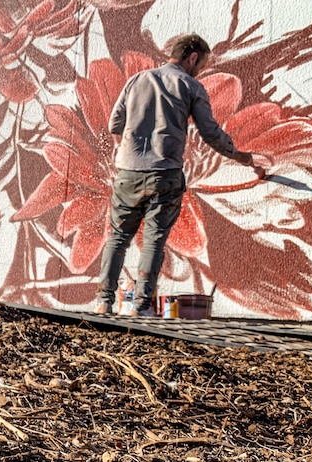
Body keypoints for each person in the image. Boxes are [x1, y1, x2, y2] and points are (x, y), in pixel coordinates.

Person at [94, 34, 255, 317]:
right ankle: (141, 307)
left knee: (118, 238)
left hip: (128, 173)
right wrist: (240, 156)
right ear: (192, 57)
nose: (201, 69)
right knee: (155, 239)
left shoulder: (137, 80)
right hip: (164, 174)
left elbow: (114, 124)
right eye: (202, 63)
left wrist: (140, 129)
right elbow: (210, 133)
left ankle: (103, 303)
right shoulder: (190, 86)